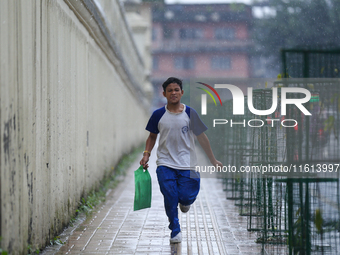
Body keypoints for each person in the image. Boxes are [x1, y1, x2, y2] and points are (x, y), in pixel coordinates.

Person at [140, 77, 222, 244]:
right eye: (169, 90)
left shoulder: (190, 113)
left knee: (185, 197)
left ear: (182, 92)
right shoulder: (158, 114)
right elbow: (152, 136)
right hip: (165, 163)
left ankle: (185, 203)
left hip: (188, 163)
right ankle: (175, 229)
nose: (173, 93)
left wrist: (213, 160)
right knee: (169, 194)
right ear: (164, 94)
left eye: (176, 90)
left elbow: (202, 138)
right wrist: (146, 154)